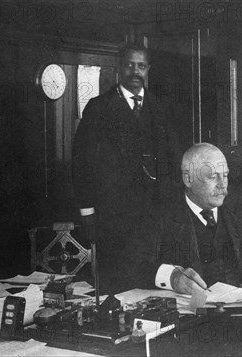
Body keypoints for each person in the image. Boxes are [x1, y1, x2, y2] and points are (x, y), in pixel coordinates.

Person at [72, 43, 181, 293]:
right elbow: (81, 162)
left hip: (155, 210)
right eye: (130, 65)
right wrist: (87, 211)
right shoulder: (99, 107)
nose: (135, 71)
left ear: (148, 70)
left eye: (141, 66)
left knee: (151, 278)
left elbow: (173, 159)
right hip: (114, 213)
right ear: (120, 68)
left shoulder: (161, 108)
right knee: (117, 282)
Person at [124, 143, 242, 297]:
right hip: (194, 315)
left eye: (225, 175)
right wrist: (173, 277)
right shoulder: (161, 211)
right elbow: (134, 263)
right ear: (188, 179)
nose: (222, 185)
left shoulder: (240, 202)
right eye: (212, 177)